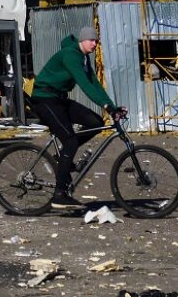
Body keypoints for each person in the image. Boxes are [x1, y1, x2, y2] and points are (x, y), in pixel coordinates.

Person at [31, 26, 125, 210]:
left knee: (95, 122)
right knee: (71, 141)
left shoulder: (83, 58)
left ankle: (64, 156)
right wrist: (106, 106)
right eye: (91, 40)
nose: (95, 43)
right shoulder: (71, 55)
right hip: (44, 99)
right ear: (82, 40)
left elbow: (94, 83)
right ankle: (59, 195)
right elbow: (83, 84)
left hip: (59, 99)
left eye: (96, 41)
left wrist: (111, 106)